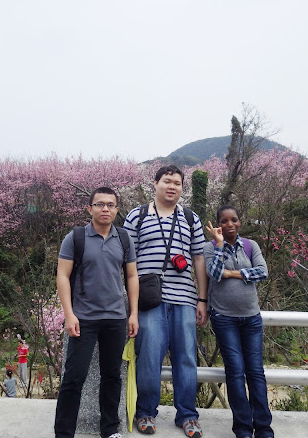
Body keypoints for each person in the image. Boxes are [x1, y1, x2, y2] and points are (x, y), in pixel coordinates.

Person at [123, 165, 208, 438]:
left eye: (178, 183)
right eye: (167, 181)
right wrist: (130, 305)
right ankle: (145, 411)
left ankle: (187, 415)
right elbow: (125, 260)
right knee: (148, 357)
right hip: (149, 299)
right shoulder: (137, 215)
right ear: (155, 183)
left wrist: (202, 299)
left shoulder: (190, 218)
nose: (172, 187)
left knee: (186, 358)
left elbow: (198, 259)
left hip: (184, 297)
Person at [54, 186, 140, 438]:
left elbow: (132, 276)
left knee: (112, 376)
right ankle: (64, 432)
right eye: (100, 204)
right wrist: (68, 314)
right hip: (84, 319)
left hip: (115, 318)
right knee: (73, 378)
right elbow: (62, 275)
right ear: (89, 208)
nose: (105, 209)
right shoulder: (76, 237)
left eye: (110, 205)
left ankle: (110, 429)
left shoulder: (124, 238)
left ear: (116, 209)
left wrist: (133, 314)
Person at [204, 205, 274, 438]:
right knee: (235, 372)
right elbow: (214, 273)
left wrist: (234, 274)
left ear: (240, 222)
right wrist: (221, 245)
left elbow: (263, 271)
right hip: (224, 319)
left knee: (255, 372)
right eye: (224, 221)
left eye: (234, 220)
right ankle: (243, 428)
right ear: (218, 224)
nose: (230, 224)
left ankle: (263, 427)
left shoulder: (250, 246)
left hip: (252, 318)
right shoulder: (210, 247)